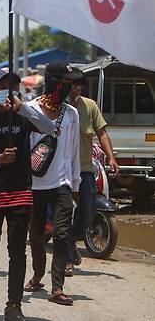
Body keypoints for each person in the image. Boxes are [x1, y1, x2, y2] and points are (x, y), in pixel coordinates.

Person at [0, 67, 56, 321]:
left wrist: (23, 109)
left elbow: (49, 128)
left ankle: (14, 304)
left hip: (19, 191)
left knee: (17, 249)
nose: (8, 88)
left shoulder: (23, 113)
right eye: (3, 84)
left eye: (13, 84)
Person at [25, 61, 82, 307]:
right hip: (34, 185)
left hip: (62, 183)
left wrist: (76, 184)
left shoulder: (72, 114)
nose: (69, 88)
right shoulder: (29, 110)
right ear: (52, 82)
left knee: (61, 234)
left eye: (72, 84)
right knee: (36, 237)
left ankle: (57, 286)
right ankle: (38, 273)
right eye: (65, 83)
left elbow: (74, 152)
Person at [65, 68, 119, 275]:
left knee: (87, 213)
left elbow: (102, 133)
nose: (75, 88)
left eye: (79, 85)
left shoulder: (90, 106)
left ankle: (69, 243)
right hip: (61, 171)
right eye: (72, 84)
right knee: (64, 213)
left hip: (85, 168)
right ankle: (68, 260)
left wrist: (111, 157)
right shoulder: (56, 106)